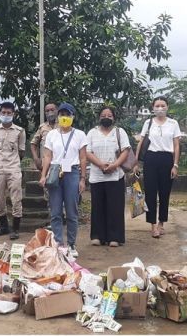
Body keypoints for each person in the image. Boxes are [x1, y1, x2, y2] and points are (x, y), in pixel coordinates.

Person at [38, 103, 87, 258]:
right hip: (55, 172)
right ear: (58, 116)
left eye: (67, 114)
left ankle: (72, 243)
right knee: (56, 211)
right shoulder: (52, 134)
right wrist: (43, 175)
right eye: (61, 114)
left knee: (72, 211)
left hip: (72, 172)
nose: (64, 117)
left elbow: (83, 157)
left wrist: (82, 178)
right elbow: (47, 156)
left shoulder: (79, 134)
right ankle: (59, 243)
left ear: (73, 116)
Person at [134, 96, 181, 238]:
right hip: (151, 159)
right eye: (157, 106)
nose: (160, 108)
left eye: (163, 105)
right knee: (150, 193)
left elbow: (176, 145)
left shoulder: (173, 123)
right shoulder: (148, 123)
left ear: (167, 107)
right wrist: (136, 162)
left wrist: (175, 165)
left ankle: (161, 223)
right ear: (153, 108)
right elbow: (141, 142)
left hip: (167, 159)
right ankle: (153, 225)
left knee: (165, 193)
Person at [85, 106, 130, 247]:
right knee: (97, 206)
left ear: (114, 118)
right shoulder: (92, 133)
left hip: (115, 176)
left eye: (109, 115)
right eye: (104, 115)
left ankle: (114, 237)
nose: (106, 117)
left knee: (115, 207)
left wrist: (115, 165)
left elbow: (125, 151)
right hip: (97, 175)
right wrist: (100, 164)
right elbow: (87, 152)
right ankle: (98, 236)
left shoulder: (119, 132)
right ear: (99, 117)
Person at [0, 102, 26, 240]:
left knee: (16, 198)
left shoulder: (20, 131)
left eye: (9, 113)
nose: (6, 115)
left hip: (13, 168)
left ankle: (15, 229)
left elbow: (21, 152)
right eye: (3, 113)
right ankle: (3, 226)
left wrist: (13, 163)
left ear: (13, 114)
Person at [31, 103, 58, 172]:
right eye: (47, 111)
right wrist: (36, 159)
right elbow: (33, 144)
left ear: (57, 111)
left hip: (60, 163)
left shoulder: (63, 126)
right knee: (45, 182)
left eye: (52, 110)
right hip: (45, 164)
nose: (50, 112)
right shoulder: (42, 127)